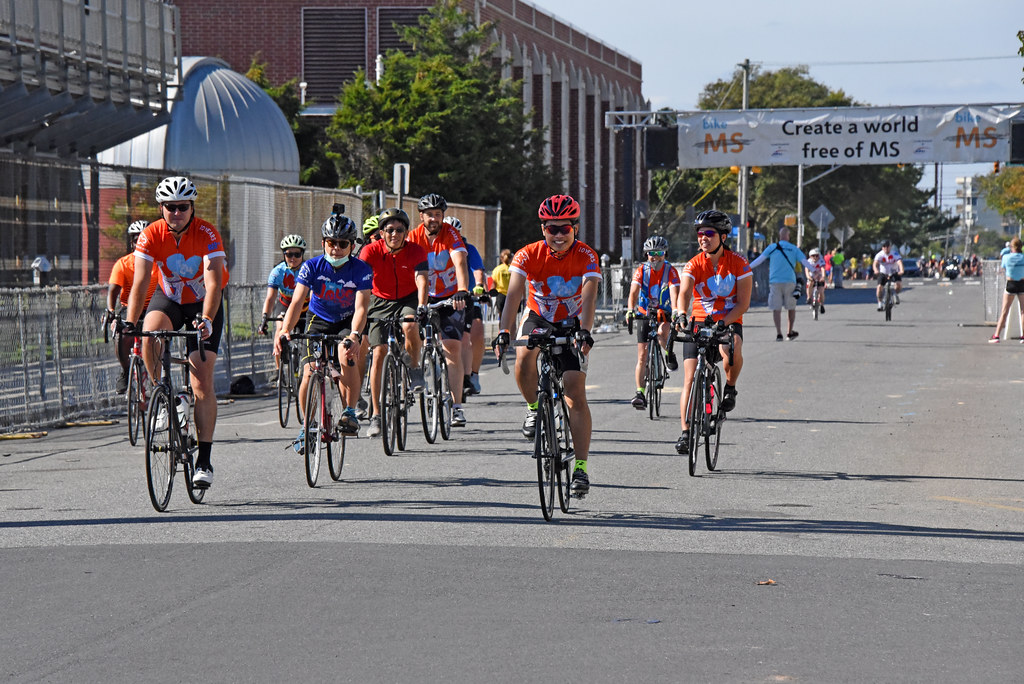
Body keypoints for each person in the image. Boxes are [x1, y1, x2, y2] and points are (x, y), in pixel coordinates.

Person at [492, 194, 600, 496]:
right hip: (539, 316)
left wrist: (586, 331)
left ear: (575, 228)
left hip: (574, 321)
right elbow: (513, 295)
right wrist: (504, 330)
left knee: (573, 390)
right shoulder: (527, 254)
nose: (559, 235)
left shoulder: (588, 255)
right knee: (524, 358)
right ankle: (533, 407)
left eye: (565, 229)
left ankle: (580, 468)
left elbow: (589, 296)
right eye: (552, 229)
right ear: (543, 230)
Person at [124, 177, 228, 488]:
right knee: (149, 333)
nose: (177, 212)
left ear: (192, 207)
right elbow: (141, 282)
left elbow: (213, 284)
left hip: (202, 304)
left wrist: (207, 319)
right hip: (168, 298)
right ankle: (166, 397)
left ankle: (204, 461)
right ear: (162, 208)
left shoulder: (207, 233)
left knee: (202, 381)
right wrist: (130, 323)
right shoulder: (151, 233)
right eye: (171, 207)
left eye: (183, 207)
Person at [275, 213, 371, 446]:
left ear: (351, 245)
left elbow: (361, 308)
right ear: (323, 243)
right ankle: (306, 427)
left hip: (347, 321)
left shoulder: (361, 269)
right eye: (331, 243)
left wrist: (355, 335)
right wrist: (284, 330)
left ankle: (349, 411)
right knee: (308, 372)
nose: (336, 249)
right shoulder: (312, 266)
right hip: (318, 319)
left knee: (345, 354)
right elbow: (297, 302)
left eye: (342, 244)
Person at [673, 209, 752, 455]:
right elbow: (685, 293)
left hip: (727, 319)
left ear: (723, 237)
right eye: (699, 233)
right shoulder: (694, 263)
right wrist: (681, 313)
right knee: (689, 377)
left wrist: (725, 323)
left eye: (709, 233)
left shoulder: (739, 263)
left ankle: (730, 386)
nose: (703, 238)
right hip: (698, 320)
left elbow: (743, 303)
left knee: (731, 349)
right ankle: (686, 432)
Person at [360, 207, 429, 437]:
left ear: (406, 232)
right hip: (380, 300)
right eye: (389, 230)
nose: (394, 234)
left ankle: (414, 368)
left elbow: (422, 279)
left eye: (400, 230)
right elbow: (361, 284)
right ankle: (376, 416)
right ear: (381, 233)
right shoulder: (370, 252)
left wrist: (421, 305)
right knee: (378, 353)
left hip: (408, 298)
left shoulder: (416, 251)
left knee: (410, 325)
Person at [407, 193, 471, 427]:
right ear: (421, 216)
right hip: (421, 295)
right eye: (429, 215)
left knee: (452, 348)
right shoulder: (413, 237)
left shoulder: (450, 234)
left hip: (449, 296)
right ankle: (414, 373)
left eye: (438, 214)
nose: (434, 219)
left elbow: (460, 261)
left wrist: (462, 289)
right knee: (411, 330)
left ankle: (456, 407)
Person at [626, 235, 680, 410]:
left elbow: (674, 292)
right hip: (645, 313)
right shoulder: (642, 270)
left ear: (665, 254)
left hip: (664, 312)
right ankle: (640, 392)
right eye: (651, 253)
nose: (655, 257)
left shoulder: (670, 271)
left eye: (658, 253)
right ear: (646, 255)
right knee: (642, 356)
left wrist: (677, 311)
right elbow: (633, 292)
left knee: (662, 333)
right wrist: (630, 309)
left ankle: (668, 353)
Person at [106, 219, 158, 393]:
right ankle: (125, 369)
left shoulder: (160, 261)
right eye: (136, 239)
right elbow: (113, 290)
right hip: (130, 307)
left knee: (158, 336)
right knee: (121, 333)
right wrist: (111, 312)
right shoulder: (123, 263)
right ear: (132, 242)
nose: (140, 242)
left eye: (144, 238)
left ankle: (157, 377)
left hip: (154, 305)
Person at [747, 226, 814, 341]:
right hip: (790, 282)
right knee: (791, 307)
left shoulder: (772, 247)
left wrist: (747, 268)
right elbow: (805, 262)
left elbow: (760, 260)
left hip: (775, 282)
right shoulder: (793, 248)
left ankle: (779, 333)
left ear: (779, 236)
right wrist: (815, 271)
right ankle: (789, 332)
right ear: (788, 236)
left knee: (776, 308)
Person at [444, 215, 487, 397]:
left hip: (466, 297)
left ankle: (470, 376)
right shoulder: (434, 249)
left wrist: (479, 286)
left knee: (470, 335)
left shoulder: (467, 249)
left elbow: (478, 270)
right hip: (441, 298)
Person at [257, 235, 309, 364]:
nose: (293, 258)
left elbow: (314, 295)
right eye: (289, 254)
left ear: (302, 254)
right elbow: (270, 298)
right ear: (284, 255)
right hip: (285, 304)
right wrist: (264, 318)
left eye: (297, 254)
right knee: (279, 332)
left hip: (305, 306)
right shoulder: (278, 272)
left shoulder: (309, 269)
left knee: (309, 339)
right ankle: (278, 372)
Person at [990, 237, 1024, 343]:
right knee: (1023, 311)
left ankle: (996, 335)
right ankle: (1023, 336)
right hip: (1022, 283)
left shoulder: (1006, 257)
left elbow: (1003, 267)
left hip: (1011, 284)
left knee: (1004, 311)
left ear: (1012, 247)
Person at [873, 240, 904, 310]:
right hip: (883, 273)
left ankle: (895, 294)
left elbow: (899, 262)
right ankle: (880, 303)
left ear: (890, 247)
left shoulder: (895, 254)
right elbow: (875, 264)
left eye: (887, 246)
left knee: (898, 284)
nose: (886, 248)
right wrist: (876, 270)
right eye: (884, 246)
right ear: (882, 248)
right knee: (879, 287)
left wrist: (901, 270)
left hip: (894, 273)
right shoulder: (879, 255)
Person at [491, 248, 513, 318]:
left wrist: (491, 294)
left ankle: (502, 329)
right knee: (512, 318)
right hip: (512, 295)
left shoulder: (497, 269)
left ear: (501, 258)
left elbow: (494, 283)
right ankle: (512, 329)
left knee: (502, 317)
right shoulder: (513, 269)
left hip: (501, 295)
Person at [805, 248, 827, 315]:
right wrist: (809, 277)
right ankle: (809, 298)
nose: (815, 257)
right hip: (812, 277)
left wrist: (823, 277)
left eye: (816, 256)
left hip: (819, 277)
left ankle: (822, 305)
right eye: (813, 256)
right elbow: (807, 271)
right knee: (810, 283)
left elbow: (823, 269)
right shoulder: (808, 262)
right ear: (810, 256)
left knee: (821, 291)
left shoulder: (821, 261)